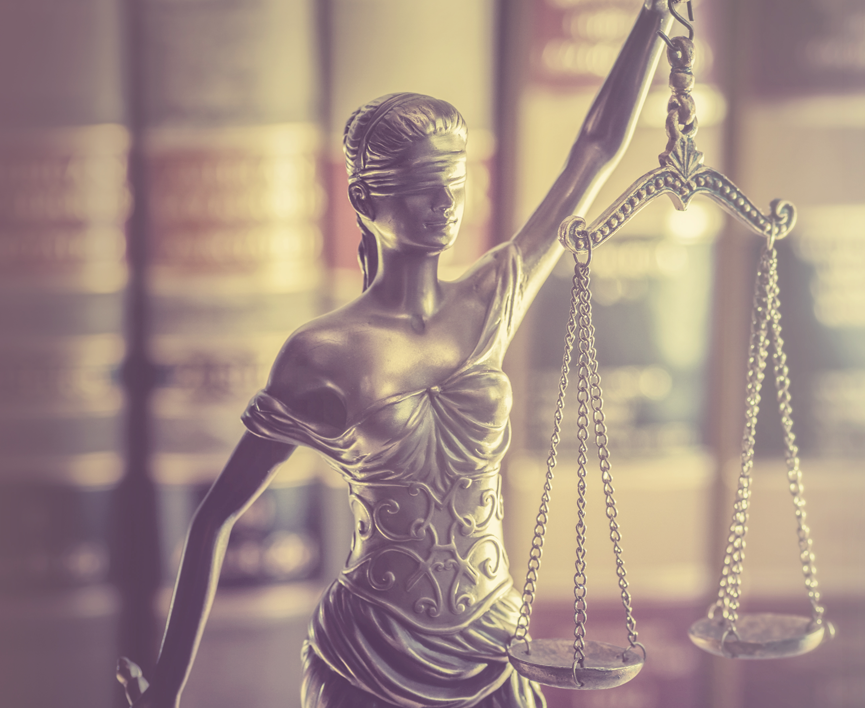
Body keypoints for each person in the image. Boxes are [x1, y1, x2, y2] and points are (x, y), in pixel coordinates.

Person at [114, 2, 672, 706]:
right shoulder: (321, 354)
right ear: (362, 197)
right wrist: (165, 690)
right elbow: (214, 519)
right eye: (418, 190)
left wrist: (655, 20)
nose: (443, 205)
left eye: (454, 187)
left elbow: (593, 153)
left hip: (494, 645)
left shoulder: (493, 297)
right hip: (370, 654)